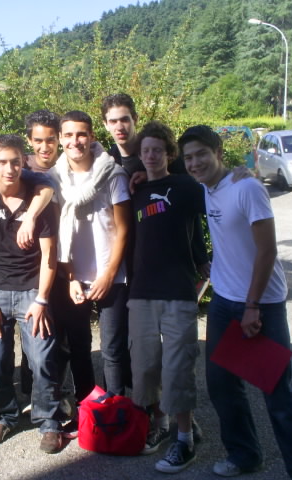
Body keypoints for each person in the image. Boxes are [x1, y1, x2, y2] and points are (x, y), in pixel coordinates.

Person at [180, 125, 292, 479]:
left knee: (277, 393)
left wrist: (253, 306)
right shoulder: (207, 187)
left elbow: (267, 250)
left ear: (218, 152)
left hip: (261, 305)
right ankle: (245, 455)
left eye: (201, 154)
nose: (195, 163)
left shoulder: (247, 188)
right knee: (222, 386)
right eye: (188, 158)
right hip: (224, 302)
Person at [0, 134, 64, 454]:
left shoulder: (38, 199)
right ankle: (5, 415)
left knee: (42, 360)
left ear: (23, 162)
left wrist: (42, 299)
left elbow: (49, 255)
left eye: (16, 162)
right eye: (2, 162)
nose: (9, 169)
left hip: (33, 291)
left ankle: (48, 421)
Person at [128, 121, 207, 473]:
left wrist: (204, 262)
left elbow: (206, 216)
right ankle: (160, 424)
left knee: (178, 368)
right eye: (145, 150)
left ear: (169, 153)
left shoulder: (186, 186)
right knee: (145, 367)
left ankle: (185, 438)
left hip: (178, 290)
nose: (150, 156)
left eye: (157, 150)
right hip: (142, 291)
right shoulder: (135, 190)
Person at [49, 110, 132, 400]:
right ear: (60, 139)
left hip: (112, 276)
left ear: (92, 136)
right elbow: (56, 232)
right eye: (69, 135)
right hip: (74, 277)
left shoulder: (113, 174)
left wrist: (108, 274)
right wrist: (70, 276)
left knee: (112, 350)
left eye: (81, 134)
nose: (75, 141)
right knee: (79, 348)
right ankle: (86, 409)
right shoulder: (54, 179)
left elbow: (124, 229)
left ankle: (115, 408)